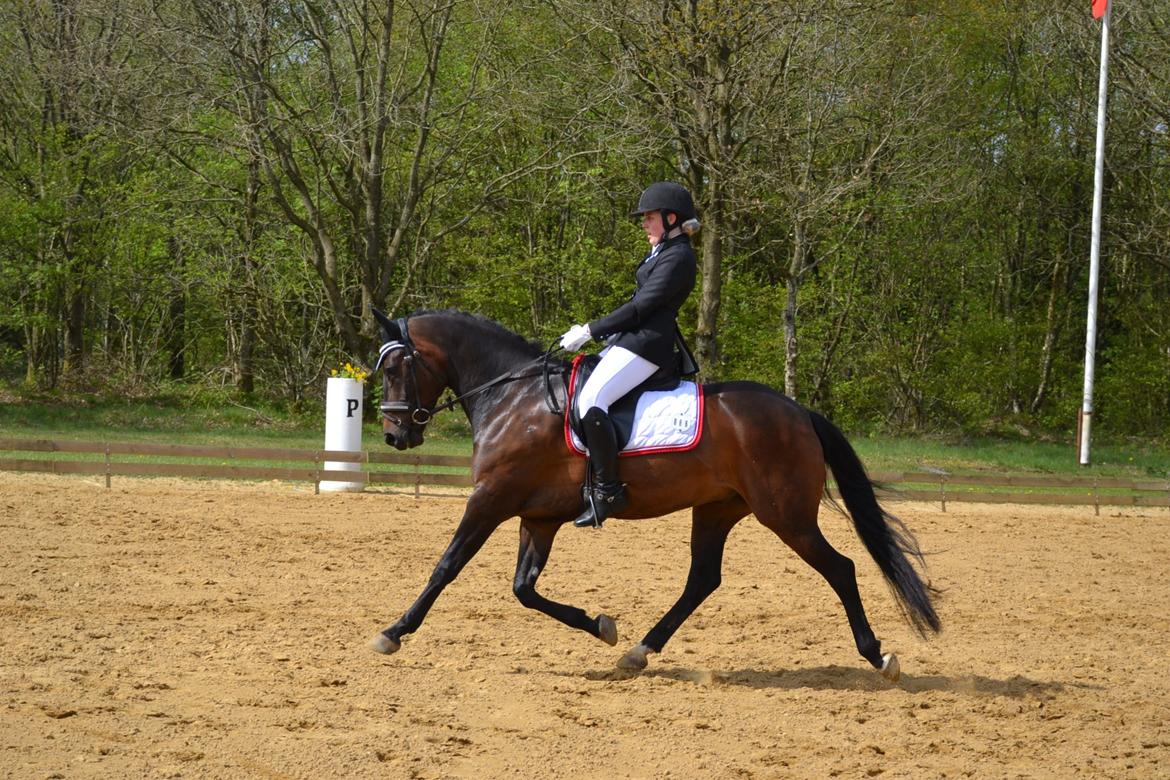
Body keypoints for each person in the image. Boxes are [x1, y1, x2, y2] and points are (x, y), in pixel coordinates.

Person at [559, 181, 700, 528]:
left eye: (650, 218)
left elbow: (642, 306)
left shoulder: (679, 256)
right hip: (632, 340)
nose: (644, 224)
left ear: (670, 218)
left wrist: (591, 329)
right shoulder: (663, 251)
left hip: (648, 345)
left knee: (592, 401)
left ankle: (608, 491)